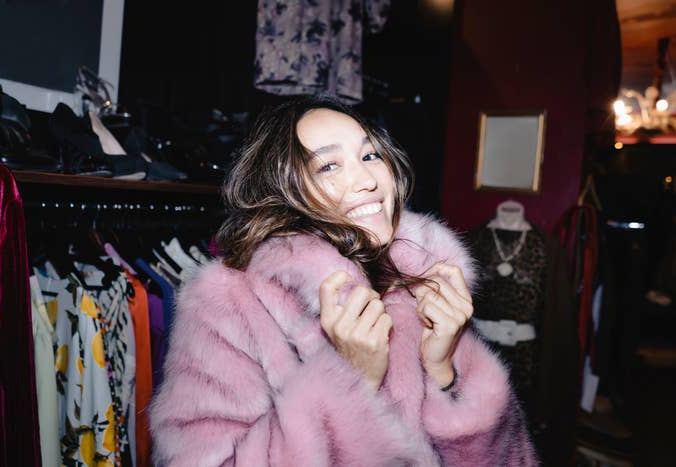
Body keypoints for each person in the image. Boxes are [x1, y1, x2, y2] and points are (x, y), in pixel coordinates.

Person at [149, 95, 537, 466]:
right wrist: (349, 378)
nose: (368, 179)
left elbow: (509, 458)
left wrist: (442, 371)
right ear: (283, 192)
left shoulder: (418, 284)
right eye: (328, 166)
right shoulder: (228, 304)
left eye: (370, 155)